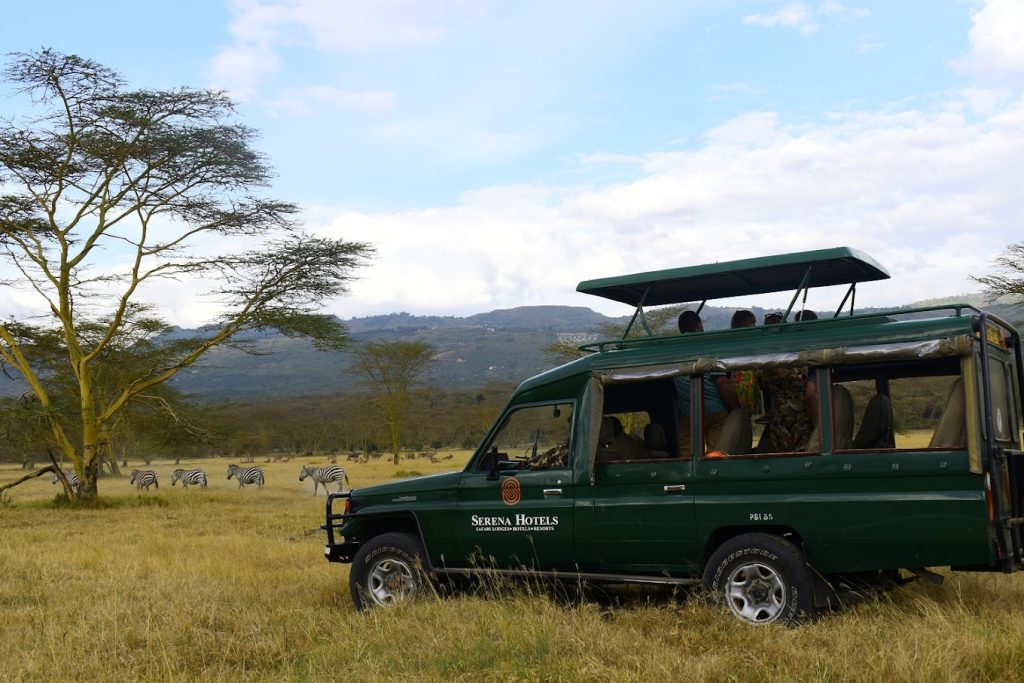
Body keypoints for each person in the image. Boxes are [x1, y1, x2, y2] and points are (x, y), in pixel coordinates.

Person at [674, 311, 740, 453]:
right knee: (717, 455)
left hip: (689, 414)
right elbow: (721, 381)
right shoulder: (707, 348)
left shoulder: (673, 350)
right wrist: (736, 408)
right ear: (699, 325)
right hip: (715, 411)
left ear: (681, 329)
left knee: (688, 458)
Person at [729, 310, 760, 414]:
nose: (754, 326)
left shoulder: (732, 342)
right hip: (744, 386)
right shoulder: (749, 342)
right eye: (752, 323)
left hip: (744, 385)